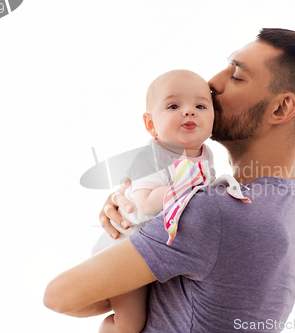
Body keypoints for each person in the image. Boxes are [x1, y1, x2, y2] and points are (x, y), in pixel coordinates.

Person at [44, 28, 295, 332]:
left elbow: (59, 296)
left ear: (280, 108)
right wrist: (139, 207)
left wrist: (129, 232)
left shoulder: (213, 212)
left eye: (236, 75)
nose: (212, 83)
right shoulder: (291, 212)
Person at [90, 69, 242, 332]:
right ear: (151, 125)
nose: (189, 111)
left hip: (154, 251)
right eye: (174, 105)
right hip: (122, 248)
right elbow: (146, 204)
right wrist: (187, 189)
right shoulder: (152, 157)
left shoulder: (205, 155)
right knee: (130, 323)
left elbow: (203, 191)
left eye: (200, 105)